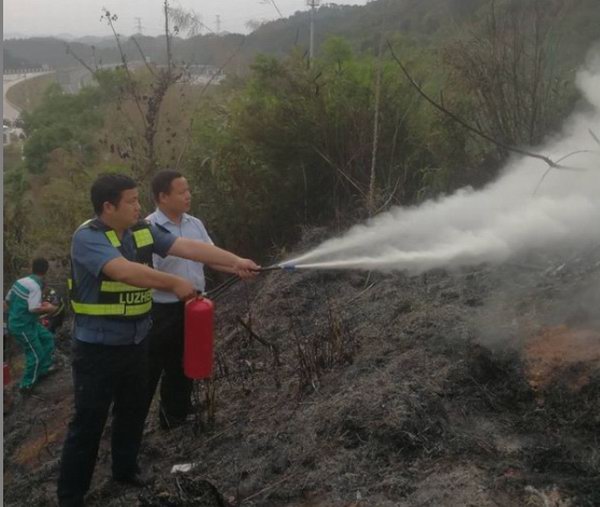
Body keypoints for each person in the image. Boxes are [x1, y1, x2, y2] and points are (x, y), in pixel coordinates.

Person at [57, 173, 259, 507]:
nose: (139, 206)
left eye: (138, 199)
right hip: (97, 348)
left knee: (133, 411)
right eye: (132, 201)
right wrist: (173, 284)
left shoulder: (141, 231)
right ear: (108, 206)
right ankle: (71, 495)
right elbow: (124, 271)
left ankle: (125, 470)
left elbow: (188, 247)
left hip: (136, 341)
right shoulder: (88, 238)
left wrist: (235, 261)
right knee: (89, 421)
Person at [144, 170, 221, 429]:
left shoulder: (194, 224)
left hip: (194, 305)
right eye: (181, 192)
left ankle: (181, 407)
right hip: (163, 309)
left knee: (189, 358)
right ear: (162, 197)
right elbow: (145, 274)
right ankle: (169, 417)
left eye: (188, 190)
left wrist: (237, 267)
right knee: (167, 363)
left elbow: (210, 254)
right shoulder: (148, 229)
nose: (188, 196)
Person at [5, 257, 58, 393]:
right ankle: (26, 385)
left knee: (47, 338)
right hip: (22, 326)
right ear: (45, 271)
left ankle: (43, 369)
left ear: (32, 268)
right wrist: (50, 308)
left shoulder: (20, 282)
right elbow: (33, 309)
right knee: (35, 354)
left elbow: (8, 300)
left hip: (27, 322)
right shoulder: (35, 286)